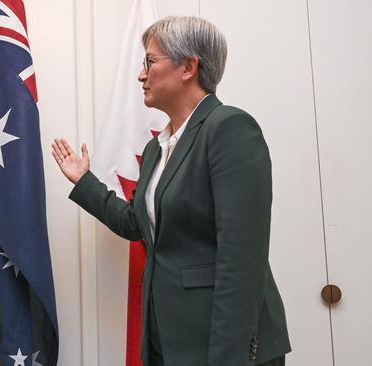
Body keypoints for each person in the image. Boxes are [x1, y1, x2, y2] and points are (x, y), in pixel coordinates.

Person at [52, 16, 290, 366]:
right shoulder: (156, 149)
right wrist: (84, 182)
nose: (141, 74)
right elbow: (137, 223)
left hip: (220, 346)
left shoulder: (228, 128)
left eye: (149, 61)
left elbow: (241, 261)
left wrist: (228, 357)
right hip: (169, 341)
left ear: (188, 66)